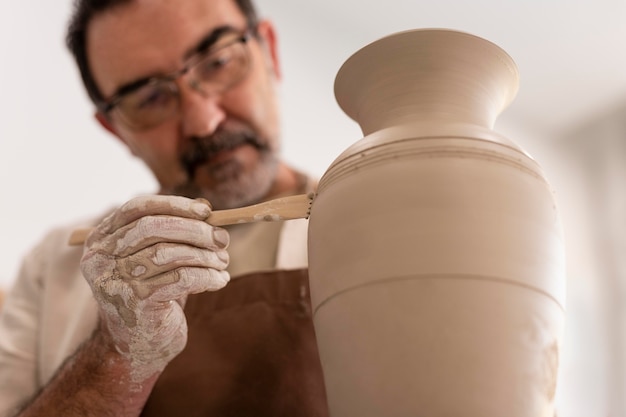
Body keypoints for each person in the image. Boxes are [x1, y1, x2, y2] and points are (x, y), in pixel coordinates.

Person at [0, 0, 329, 415]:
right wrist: (117, 353)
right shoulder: (55, 269)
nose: (204, 121)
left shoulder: (374, 223)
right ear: (115, 130)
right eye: (151, 97)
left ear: (270, 52)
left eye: (218, 62)